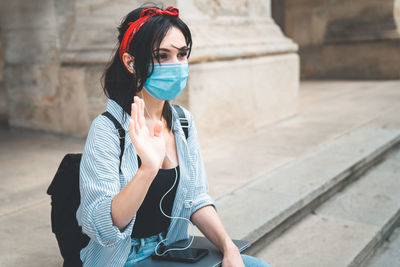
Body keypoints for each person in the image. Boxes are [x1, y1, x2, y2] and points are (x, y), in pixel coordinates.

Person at [76, 4, 270, 267]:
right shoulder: (107, 129)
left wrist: (228, 247)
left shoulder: (183, 122)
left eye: (182, 54)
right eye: (162, 56)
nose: (176, 65)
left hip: (172, 250)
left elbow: (197, 198)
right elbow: (102, 225)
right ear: (131, 62)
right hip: (124, 258)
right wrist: (148, 169)